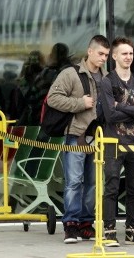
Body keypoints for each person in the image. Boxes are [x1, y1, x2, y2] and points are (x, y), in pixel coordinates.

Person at [47, 35, 110, 244]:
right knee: (74, 181)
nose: (103, 58)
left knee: (92, 183)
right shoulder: (71, 73)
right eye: (100, 53)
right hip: (76, 135)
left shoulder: (107, 76)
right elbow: (53, 98)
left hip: (97, 137)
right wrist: (79, 103)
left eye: (106, 55)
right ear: (89, 51)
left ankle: (85, 223)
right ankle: (71, 224)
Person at [100, 37, 134, 247]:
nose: (128, 57)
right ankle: (109, 231)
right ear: (114, 56)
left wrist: (121, 107)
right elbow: (109, 115)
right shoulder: (107, 81)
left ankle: (132, 230)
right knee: (111, 186)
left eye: (130, 53)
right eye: (124, 53)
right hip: (113, 142)